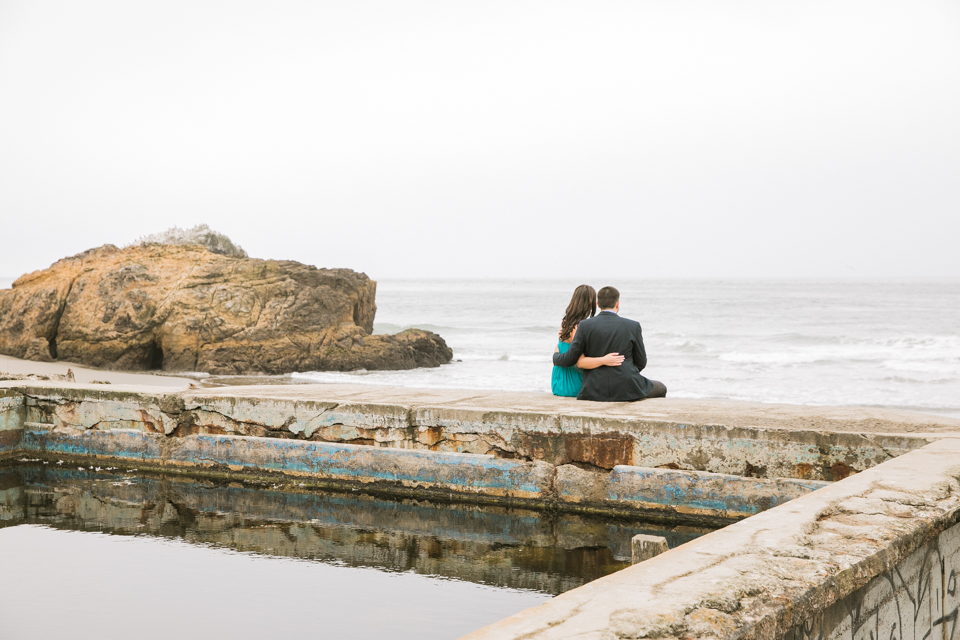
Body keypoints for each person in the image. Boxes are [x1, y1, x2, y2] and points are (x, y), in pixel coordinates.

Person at [552, 285, 667, 402]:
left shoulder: (585, 325)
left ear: (598, 304)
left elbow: (572, 359)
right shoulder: (633, 326)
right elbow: (641, 362)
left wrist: (555, 355)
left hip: (594, 387)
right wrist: (624, 372)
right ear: (617, 304)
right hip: (626, 385)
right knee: (661, 388)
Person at [552, 285, 626, 397]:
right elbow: (580, 363)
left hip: (558, 381)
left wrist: (556, 354)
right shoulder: (578, 327)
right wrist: (604, 360)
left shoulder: (565, 322)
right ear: (591, 304)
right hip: (572, 384)